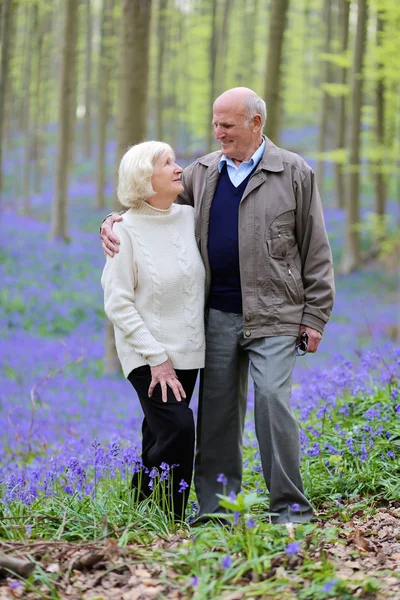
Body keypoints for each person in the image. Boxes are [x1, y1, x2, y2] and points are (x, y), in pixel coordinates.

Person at [101, 87, 335, 525]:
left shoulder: (294, 172)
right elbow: (149, 204)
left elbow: (316, 248)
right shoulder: (202, 172)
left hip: (277, 315)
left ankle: (290, 508)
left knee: (271, 401)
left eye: (227, 124)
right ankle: (218, 511)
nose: (218, 132)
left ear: (255, 123)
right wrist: (111, 220)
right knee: (217, 414)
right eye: (215, 123)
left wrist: (316, 314)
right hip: (216, 317)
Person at [101, 141, 205, 521]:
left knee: (158, 433)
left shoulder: (190, 217)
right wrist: (157, 358)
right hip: (147, 355)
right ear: (146, 177)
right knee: (178, 427)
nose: (179, 168)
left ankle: (143, 515)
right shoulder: (124, 232)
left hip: (189, 351)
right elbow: (117, 303)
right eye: (168, 163)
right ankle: (170, 521)